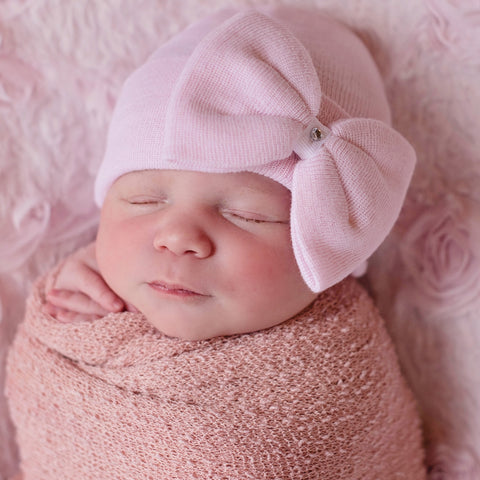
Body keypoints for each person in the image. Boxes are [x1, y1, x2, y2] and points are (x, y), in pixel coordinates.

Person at [6, 7, 427, 479]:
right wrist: (76, 300)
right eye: (144, 201)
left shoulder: (338, 371)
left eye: (244, 214)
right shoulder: (87, 303)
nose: (178, 237)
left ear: (334, 246)